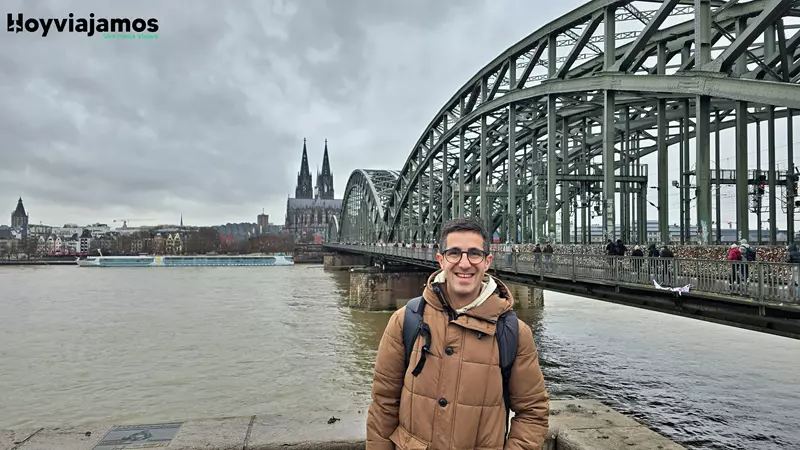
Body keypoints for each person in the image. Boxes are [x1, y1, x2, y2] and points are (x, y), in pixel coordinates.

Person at [366, 217, 549, 450]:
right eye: (454, 253)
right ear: (441, 260)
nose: (464, 263)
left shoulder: (514, 333)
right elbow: (383, 405)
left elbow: (533, 412)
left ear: (487, 262)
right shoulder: (406, 321)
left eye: (474, 254)